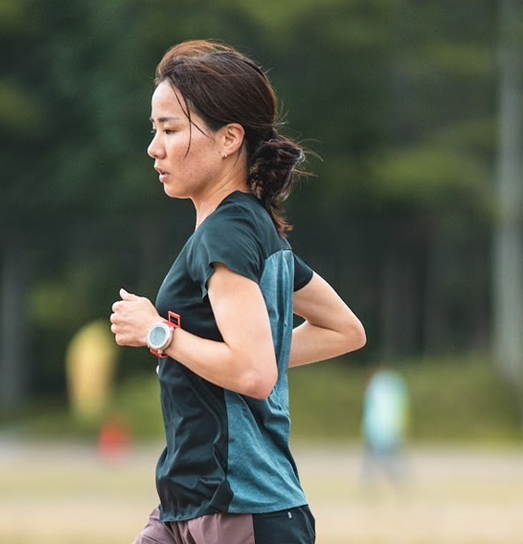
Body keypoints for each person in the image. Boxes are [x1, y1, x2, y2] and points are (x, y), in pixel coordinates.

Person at [109, 40, 366, 544]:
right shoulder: (252, 228)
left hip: (237, 511)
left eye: (170, 129)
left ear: (229, 139)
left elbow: (254, 372)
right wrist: (233, 353)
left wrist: (157, 333)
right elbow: (345, 330)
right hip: (188, 504)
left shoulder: (227, 235)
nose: (154, 147)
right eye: (153, 130)